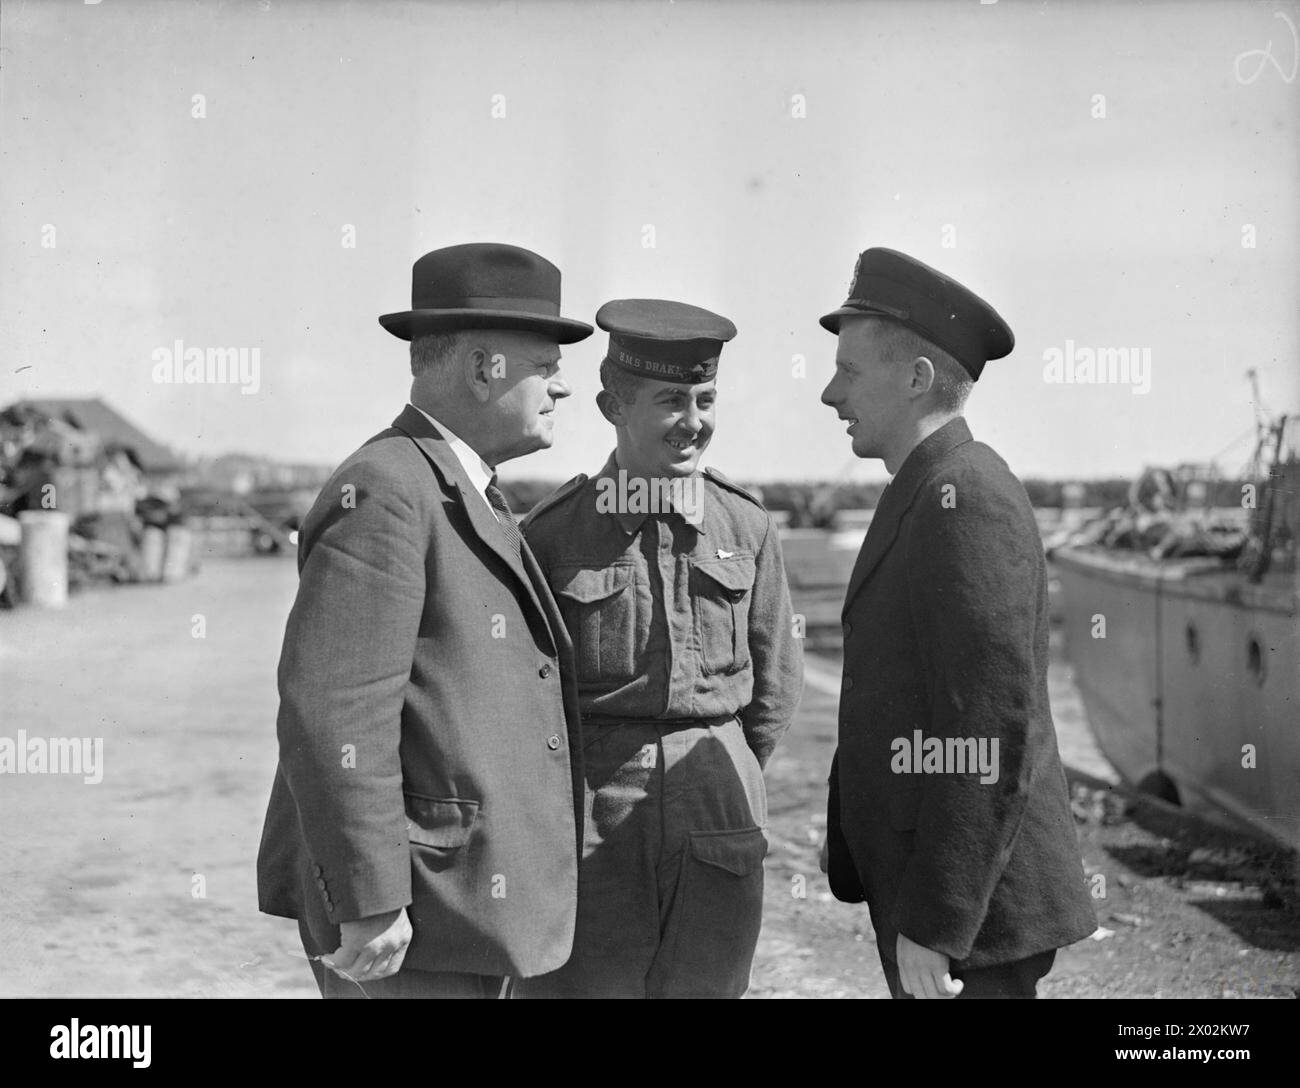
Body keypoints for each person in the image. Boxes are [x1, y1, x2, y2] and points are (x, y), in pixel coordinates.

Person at [256, 242, 593, 998]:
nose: (562, 389)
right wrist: (372, 899)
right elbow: (334, 710)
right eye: (548, 365)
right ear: (484, 370)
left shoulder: (449, 483)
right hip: (413, 913)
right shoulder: (388, 489)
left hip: (455, 903)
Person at [817, 248, 1096, 999]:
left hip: (971, 919)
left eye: (848, 370)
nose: (828, 393)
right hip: (936, 898)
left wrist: (938, 921)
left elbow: (990, 728)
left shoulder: (964, 497)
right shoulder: (928, 488)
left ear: (916, 379)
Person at [518, 299, 803, 998]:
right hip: (594, 818)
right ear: (612, 403)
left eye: (706, 398)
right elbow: (526, 701)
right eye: (672, 400)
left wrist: (716, 772)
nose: (695, 421)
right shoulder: (552, 535)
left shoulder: (746, 525)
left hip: (718, 816)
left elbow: (773, 691)